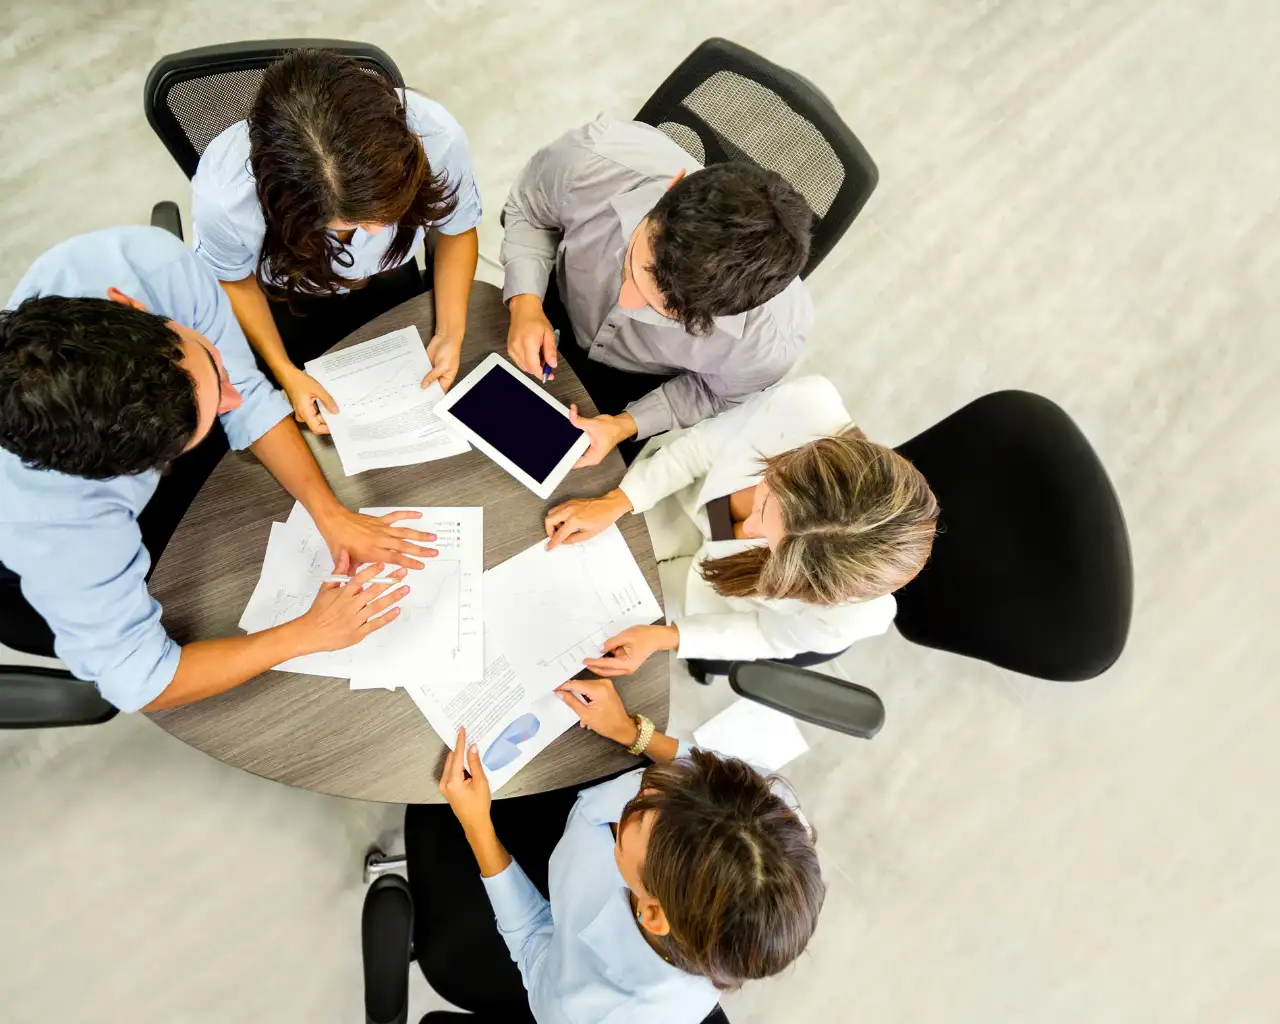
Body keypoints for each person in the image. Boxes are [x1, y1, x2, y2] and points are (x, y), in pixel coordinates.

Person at [0, 226, 431, 712]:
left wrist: (328, 514)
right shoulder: (63, 527)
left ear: (132, 307)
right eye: (207, 417)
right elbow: (140, 682)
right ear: (146, 468)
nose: (235, 396)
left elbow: (247, 400)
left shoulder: (146, 264)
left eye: (211, 365)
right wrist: (305, 634)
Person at [410, 675, 825, 1023]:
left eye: (640, 813)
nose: (650, 781)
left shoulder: (593, 1008)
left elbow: (534, 946)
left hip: (542, 886)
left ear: (651, 912)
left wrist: (477, 825)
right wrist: (632, 732)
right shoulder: (773, 820)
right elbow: (701, 765)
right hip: (576, 811)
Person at [541, 376, 939, 678]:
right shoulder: (806, 404)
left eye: (769, 540)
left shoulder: (853, 615)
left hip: (708, 593)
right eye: (765, 499)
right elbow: (701, 447)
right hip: (679, 501)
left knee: (580, 624)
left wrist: (667, 638)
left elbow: (767, 635)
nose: (747, 526)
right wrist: (618, 501)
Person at [191, 48, 482, 433]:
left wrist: (450, 332)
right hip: (287, 297)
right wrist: (285, 372)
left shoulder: (438, 137)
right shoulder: (225, 199)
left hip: (393, 276)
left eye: (387, 207)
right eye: (348, 220)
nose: (376, 231)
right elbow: (232, 278)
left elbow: (456, 228)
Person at [501, 113, 814, 464]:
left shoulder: (769, 344)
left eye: (663, 311)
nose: (626, 300)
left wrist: (623, 425)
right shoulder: (593, 158)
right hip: (549, 297)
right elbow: (529, 212)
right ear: (673, 185)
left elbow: (711, 393)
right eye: (634, 265)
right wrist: (525, 301)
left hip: (633, 383)